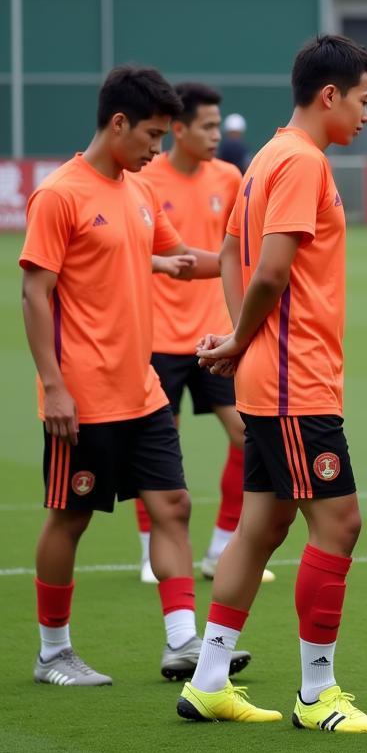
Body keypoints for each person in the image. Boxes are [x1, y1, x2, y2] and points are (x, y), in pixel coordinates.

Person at [176, 35, 367, 733]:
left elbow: (234, 254)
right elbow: (267, 269)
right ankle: (316, 694)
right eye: (362, 99)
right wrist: (241, 338)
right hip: (297, 378)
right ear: (329, 94)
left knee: (261, 526)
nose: (365, 115)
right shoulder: (300, 163)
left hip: (275, 375)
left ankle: (209, 681)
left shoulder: (264, 156)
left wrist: (241, 341)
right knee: (340, 522)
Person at [20, 65, 249, 686]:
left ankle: (183, 643)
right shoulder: (59, 193)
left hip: (141, 389)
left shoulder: (139, 190)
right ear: (117, 123)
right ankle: (52, 652)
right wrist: (54, 386)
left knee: (172, 504)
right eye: (151, 134)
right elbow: (34, 295)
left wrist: (256, 257)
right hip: (83, 397)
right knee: (71, 517)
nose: (156, 148)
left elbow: (184, 261)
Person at [133, 82, 274, 586]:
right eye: (208, 126)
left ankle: (221, 546)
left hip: (215, 335)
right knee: (159, 446)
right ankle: (152, 552)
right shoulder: (145, 178)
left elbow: (239, 250)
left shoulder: (231, 176)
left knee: (246, 433)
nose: (218, 135)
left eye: (219, 126)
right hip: (157, 338)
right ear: (178, 129)